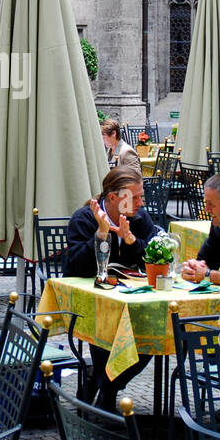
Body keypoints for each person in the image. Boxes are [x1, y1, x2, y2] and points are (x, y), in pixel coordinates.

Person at [62, 167, 160, 411]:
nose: (140, 202)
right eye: (134, 197)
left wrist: (132, 241)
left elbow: (155, 259)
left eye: (141, 196)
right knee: (105, 329)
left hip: (128, 298)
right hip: (89, 301)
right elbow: (77, 266)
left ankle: (104, 383)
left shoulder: (139, 218)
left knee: (152, 333)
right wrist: (101, 233)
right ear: (113, 197)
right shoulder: (84, 218)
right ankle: (107, 394)